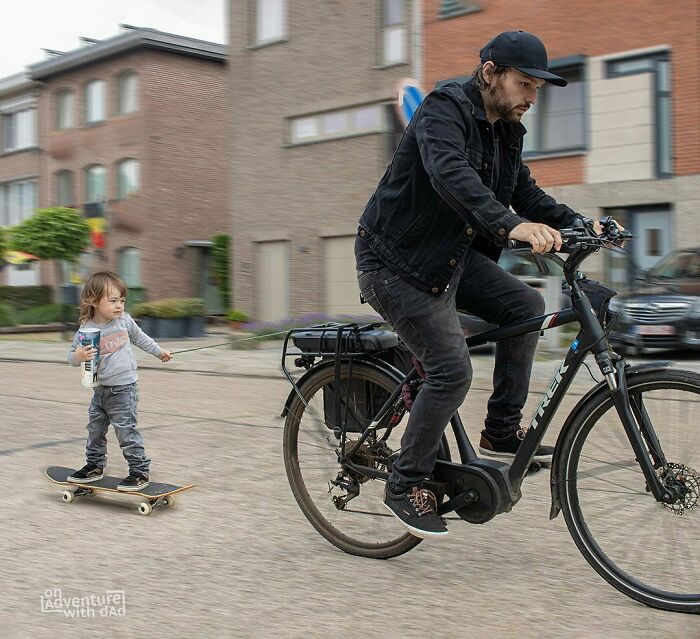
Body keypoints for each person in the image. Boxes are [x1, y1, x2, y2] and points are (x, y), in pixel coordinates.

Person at [356, 30, 600, 539]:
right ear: (490, 72)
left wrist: (583, 225)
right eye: (524, 84)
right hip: (395, 263)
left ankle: (501, 433)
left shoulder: (506, 128)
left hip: (451, 258)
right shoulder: (444, 111)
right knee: (450, 369)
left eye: (537, 88)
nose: (532, 98)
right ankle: (404, 483)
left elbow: (524, 191)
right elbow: (451, 175)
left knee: (524, 305)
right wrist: (510, 225)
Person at [67, 271, 172, 491]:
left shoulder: (123, 321)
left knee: (125, 431)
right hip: (100, 391)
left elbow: (140, 337)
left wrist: (159, 351)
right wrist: (78, 357)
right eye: (113, 301)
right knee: (95, 429)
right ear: (94, 301)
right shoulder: (86, 330)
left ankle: (139, 471)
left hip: (124, 389)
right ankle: (94, 466)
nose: (119, 306)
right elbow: (71, 358)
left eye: (122, 301)